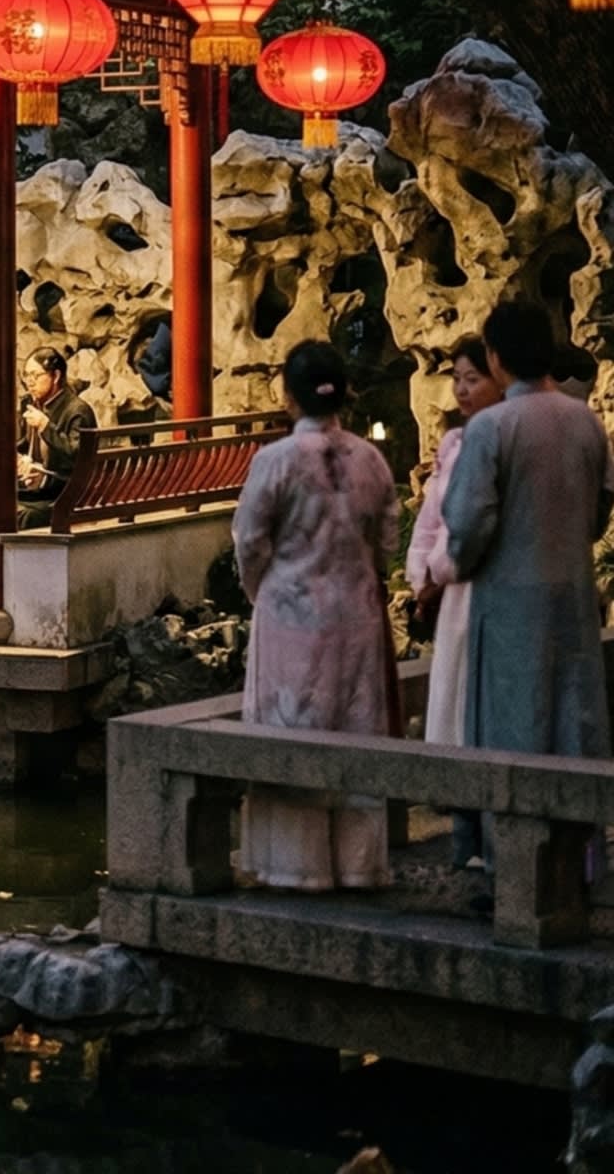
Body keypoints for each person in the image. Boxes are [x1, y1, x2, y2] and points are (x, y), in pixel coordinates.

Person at [231, 339, 400, 891]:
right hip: (357, 613)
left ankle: (294, 866)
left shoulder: (275, 460)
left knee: (292, 729)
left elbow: (249, 541)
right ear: (344, 393)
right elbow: (389, 537)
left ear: (289, 396)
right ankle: (357, 865)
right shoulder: (370, 458)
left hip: (290, 616)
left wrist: (265, 592)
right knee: (354, 729)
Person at [439, 302, 612, 770]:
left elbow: (466, 525)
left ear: (495, 358)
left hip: (509, 610)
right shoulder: (586, 421)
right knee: (573, 740)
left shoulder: (491, 428)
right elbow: (599, 515)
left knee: (513, 749)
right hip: (573, 602)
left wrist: (459, 565)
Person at [406, 337, 501, 864]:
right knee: (452, 704)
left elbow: (470, 526)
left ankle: (485, 841)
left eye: (474, 379)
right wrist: (419, 573)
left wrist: (439, 573)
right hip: (448, 590)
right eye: (457, 379)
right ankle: (465, 833)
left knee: (476, 705)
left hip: (474, 586)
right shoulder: (453, 443)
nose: (463, 390)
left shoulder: (497, 439)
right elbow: (430, 519)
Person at [16, 348, 96, 528]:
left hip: (66, 493)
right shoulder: (31, 404)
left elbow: (78, 455)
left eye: (36, 375)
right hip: (40, 488)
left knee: (19, 515)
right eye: (26, 375)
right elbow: (25, 446)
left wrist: (45, 426)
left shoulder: (77, 410)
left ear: (56, 376)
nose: (30, 382)